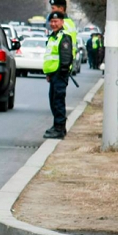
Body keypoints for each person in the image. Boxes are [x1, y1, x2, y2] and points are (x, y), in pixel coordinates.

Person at [43, 11, 74, 139]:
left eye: (56, 21)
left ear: (62, 22)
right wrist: (49, 74)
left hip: (60, 74)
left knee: (58, 101)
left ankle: (59, 128)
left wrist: (62, 72)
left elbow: (66, 57)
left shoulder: (64, 37)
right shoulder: (52, 37)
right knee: (53, 100)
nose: (53, 24)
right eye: (52, 22)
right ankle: (56, 126)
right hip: (54, 74)